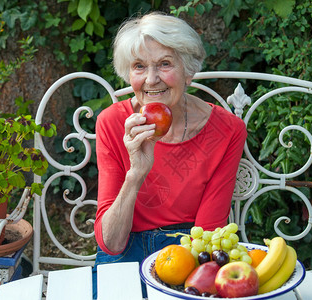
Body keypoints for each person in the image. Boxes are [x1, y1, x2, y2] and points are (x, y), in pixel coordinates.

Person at [93, 11, 247, 298]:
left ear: (189, 69)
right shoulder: (112, 123)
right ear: (129, 74)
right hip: (126, 249)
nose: (151, 80)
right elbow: (111, 244)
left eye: (164, 64)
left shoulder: (227, 130)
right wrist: (136, 173)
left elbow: (209, 233)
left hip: (187, 252)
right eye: (139, 66)